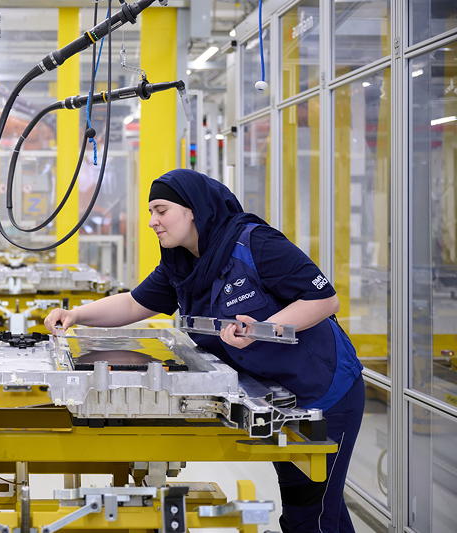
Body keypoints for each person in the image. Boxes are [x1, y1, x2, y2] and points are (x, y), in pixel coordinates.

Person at [45, 168, 364, 533]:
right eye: (150, 212)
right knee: (314, 506)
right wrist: (76, 315)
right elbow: (135, 304)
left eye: (161, 210)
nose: (152, 222)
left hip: (324, 390)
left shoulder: (254, 244)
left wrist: (262, 330)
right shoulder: (182, 264)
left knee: (311, 510)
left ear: (193, 210)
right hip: (277, 397)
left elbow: (324, 299)